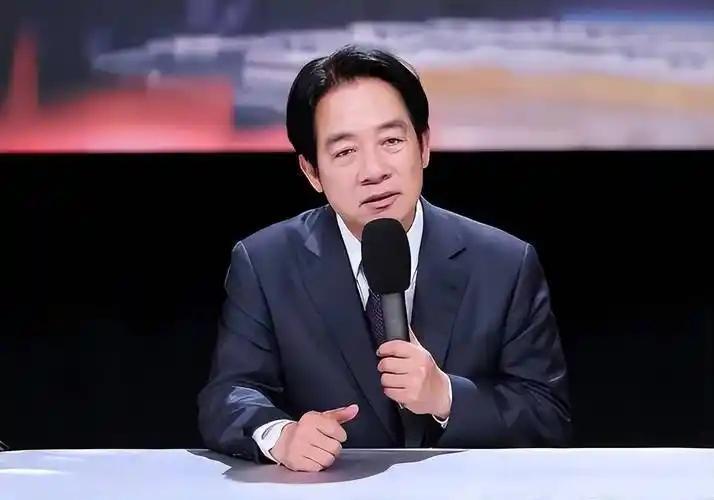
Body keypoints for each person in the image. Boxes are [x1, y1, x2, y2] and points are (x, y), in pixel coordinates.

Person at [197, 45, 571, 472]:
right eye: (345, 152)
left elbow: (548, 417)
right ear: (312, 171)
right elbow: (229, 395)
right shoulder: (266, 263)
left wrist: (446, 396)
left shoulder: (505, 264)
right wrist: (280, 436)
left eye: (391, 141)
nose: (374, 171)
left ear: (424, 146)